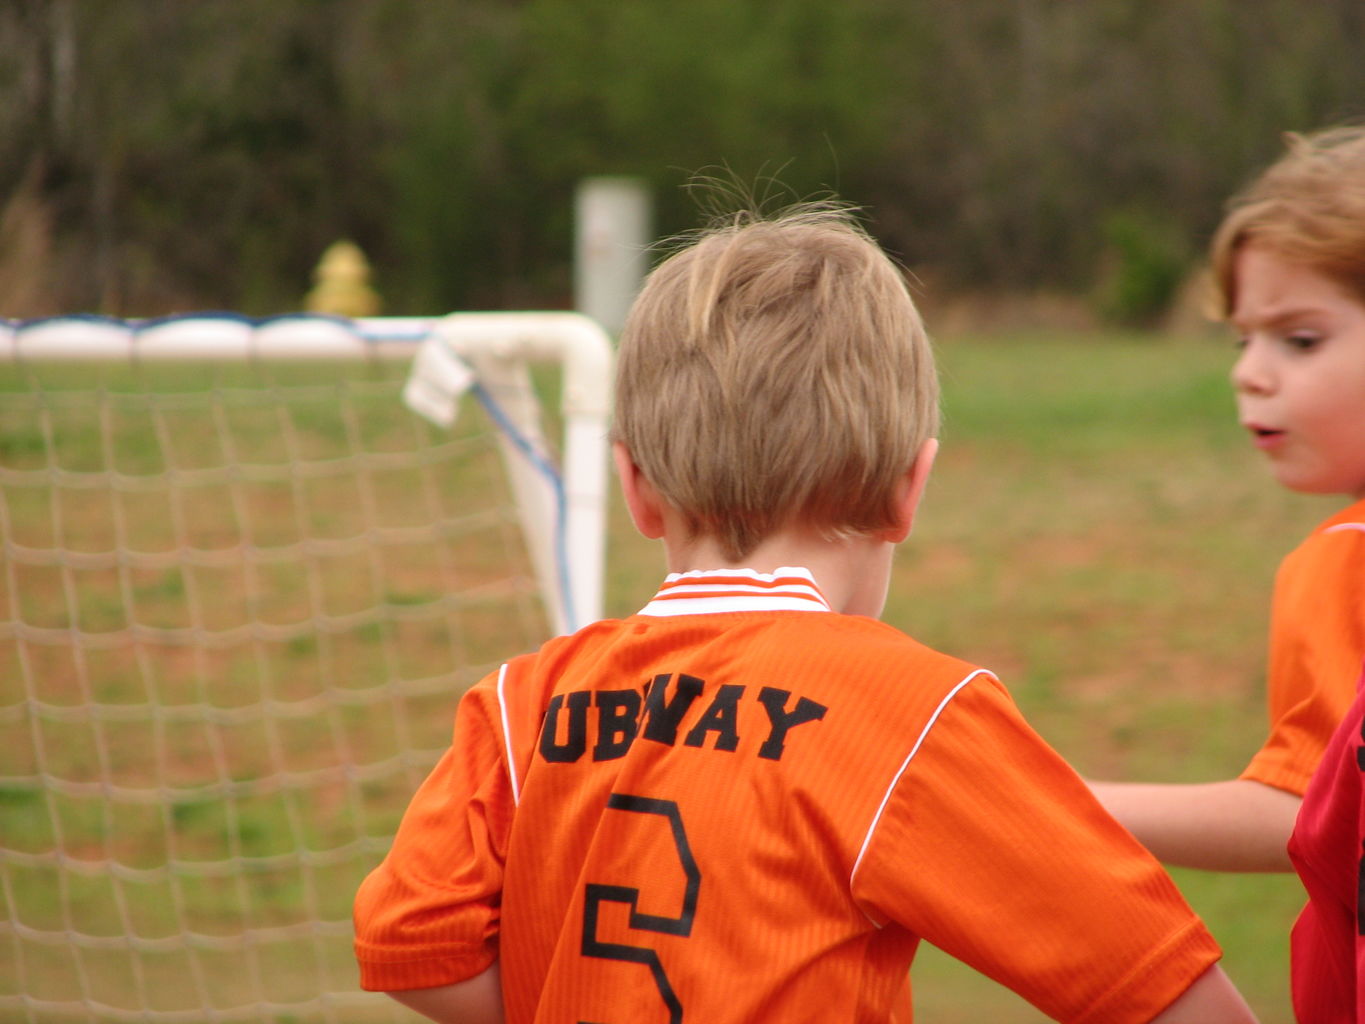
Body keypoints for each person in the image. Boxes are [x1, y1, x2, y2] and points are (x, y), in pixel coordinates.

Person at [353, 205, 1255, 1022]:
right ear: (910, 489)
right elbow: (1165, 992)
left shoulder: (522, 702)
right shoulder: (909, 716)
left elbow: (411, 946)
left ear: (635, 489)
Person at [1090, 124, 1365, 873]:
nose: (1248, 373)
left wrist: (1051, 802)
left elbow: (1305, 812)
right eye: (1241, 339)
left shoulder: (1348, 560)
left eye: (1298, 340)